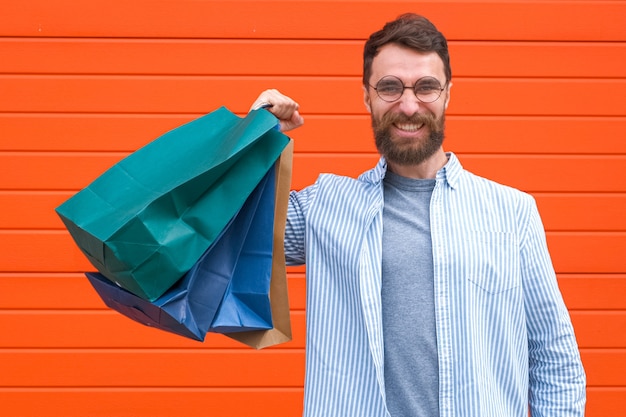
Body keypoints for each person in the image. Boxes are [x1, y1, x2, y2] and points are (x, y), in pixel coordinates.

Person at [250, 13, 586, 417]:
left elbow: (554, 357)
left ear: (448, 94)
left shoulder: (511, 213)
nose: (408, 105)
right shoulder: (324, 208)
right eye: (390, 87)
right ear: (366, 96)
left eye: (426, 87)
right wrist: (254, 139)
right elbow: (223, 234)